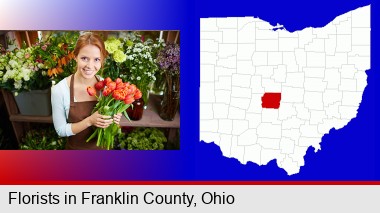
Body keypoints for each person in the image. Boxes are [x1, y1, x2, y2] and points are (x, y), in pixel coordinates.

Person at [51, 32, 122, 150]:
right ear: (75, 57)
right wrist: (89, 121)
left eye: (96, 59)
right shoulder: (60, 90)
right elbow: (61, 130)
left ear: (102, 60)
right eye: (84, 58)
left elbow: (110, 123)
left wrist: (114, 117)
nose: (90, 65)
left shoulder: (106, 85)